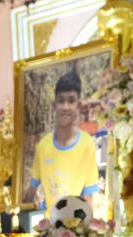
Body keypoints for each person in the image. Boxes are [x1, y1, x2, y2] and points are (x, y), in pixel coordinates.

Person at [23, 71, 100, 214]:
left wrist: (89, 231)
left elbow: (89, 196)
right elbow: (31, 191)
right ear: (54, 105)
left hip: (76, 229)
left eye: (71, 101)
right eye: (61, 100)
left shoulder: (87, 145)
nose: (65, 107)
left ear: (79, 105)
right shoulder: (43, 146)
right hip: (48, 229)